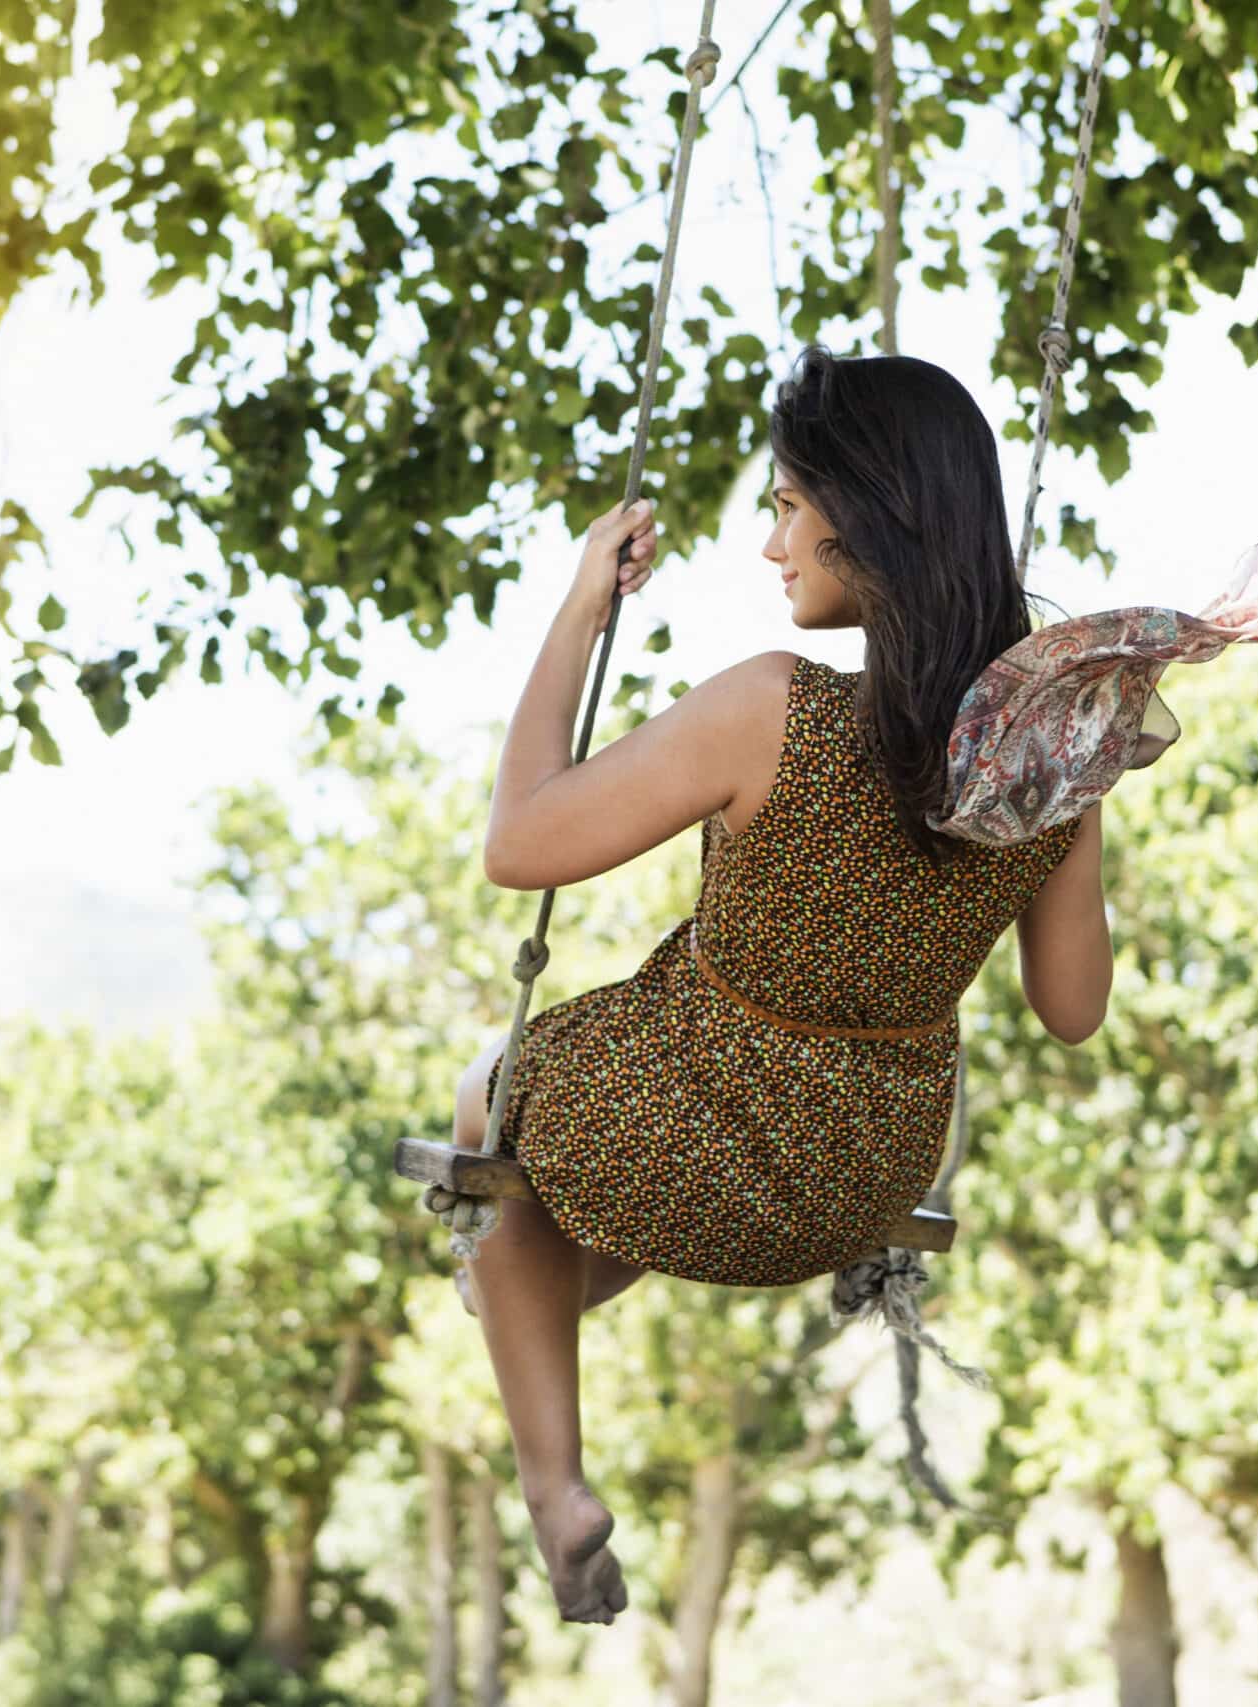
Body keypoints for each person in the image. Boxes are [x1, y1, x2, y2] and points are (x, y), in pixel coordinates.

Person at [452, 346, 1113, 1626]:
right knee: (531, 1239)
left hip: (690, 1132)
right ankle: (516, 1294)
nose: (773, 544)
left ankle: (557, 1490)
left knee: (494, 1112)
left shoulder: (775, 711)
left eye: (787, 506)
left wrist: (583, 603)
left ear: (866, 516)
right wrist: (1080, 798)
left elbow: (517, 844)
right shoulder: (1043, 764)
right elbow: (1073, 1010)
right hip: (859, 1180)